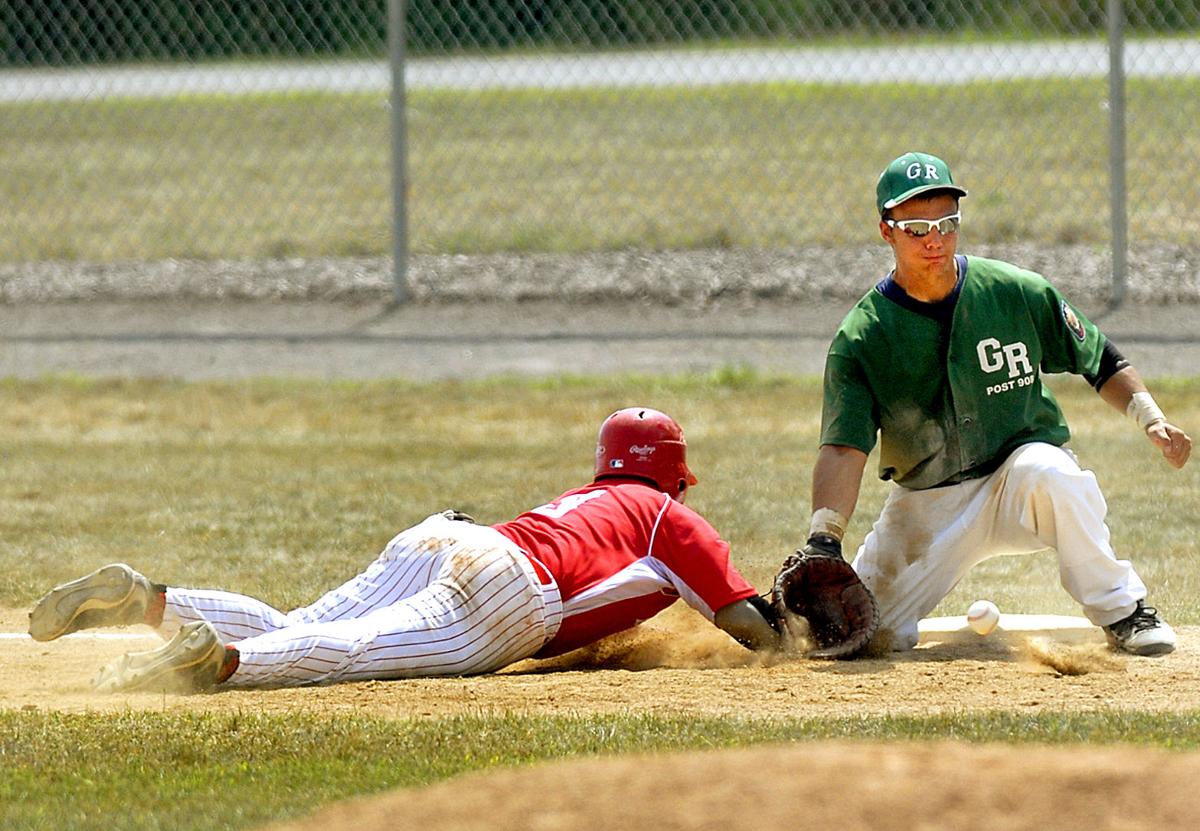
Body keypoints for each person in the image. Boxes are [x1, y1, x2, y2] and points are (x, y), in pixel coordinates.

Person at [28, 407, 784, 692]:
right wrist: (799, 635)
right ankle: (222, 660)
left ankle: (152, 601)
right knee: (355, 649)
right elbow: (744, 623)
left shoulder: (587, 499)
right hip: (508, 590)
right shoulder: (667, 516)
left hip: (449, 535)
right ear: (673, 471)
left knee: (300, 618)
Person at [801, 151, 1192, 656]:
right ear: (886, 231)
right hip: (928, 502)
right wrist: (824, 537)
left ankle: (1123, 611)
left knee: (1055, 475)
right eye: (916, 227)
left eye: (946, 222)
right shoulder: (863, 337)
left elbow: (1099, 357)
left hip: (1017, 477)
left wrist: (1151, 418)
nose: (934, 238)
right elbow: (843, 448)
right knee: (862, 634)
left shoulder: (1012, 290)